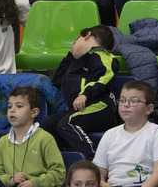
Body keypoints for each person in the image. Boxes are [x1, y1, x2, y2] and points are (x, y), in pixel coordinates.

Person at [44, 24, 117, 156]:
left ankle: (94, 161)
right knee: (47, 124)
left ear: (87, 35)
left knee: (67, 123)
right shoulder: (76, 63)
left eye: (76, 40)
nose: (73, 44)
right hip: (79, 110)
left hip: (100, 106)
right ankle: (62, 164)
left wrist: (85, 94)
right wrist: (70, 56)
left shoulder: (102, 55)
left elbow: (105, 77)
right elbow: (58, 79)